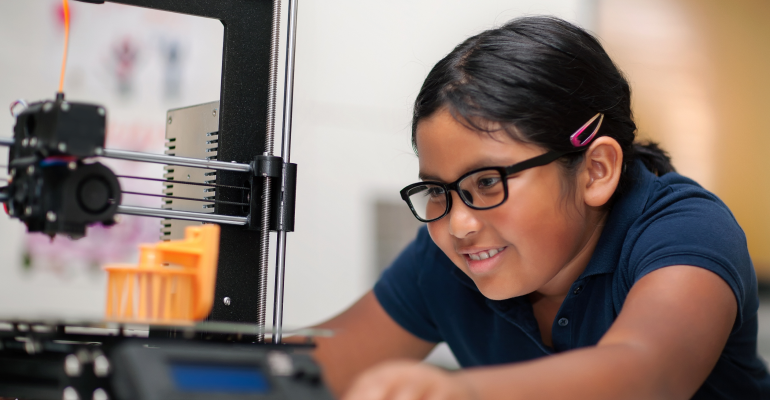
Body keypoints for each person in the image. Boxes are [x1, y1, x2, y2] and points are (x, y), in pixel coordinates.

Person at [311, 16, 770, 399]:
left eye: (488, 182)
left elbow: (647, 375)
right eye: (436, 191)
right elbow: (310, 368)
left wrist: (463, 392)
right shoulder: (445, 258)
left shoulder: (687, 231)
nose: (459, 223)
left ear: (596, 170)